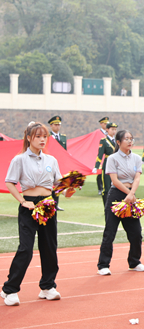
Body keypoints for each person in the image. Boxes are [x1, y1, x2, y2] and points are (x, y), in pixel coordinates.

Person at [2, 122, 74, 306]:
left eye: (45, 137)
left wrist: (68, 191)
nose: (42, 140)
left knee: (49, 247)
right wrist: (22, 201)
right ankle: (9, 290)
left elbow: (59, 184)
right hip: (29, 207)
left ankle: (47, 287)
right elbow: (10, 182)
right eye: (38, 136)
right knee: (26, 248)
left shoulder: (52, 160)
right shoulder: (19, 159)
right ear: (28, 138)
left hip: (49, 204)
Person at [97, 129, 144, 275]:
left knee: (136, 233)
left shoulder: (137, 158)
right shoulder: (112, 158)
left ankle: (134, 262)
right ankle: (103, 265)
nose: (130, 141)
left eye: (131, 138)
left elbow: (137, 178)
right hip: (117, 195)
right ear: (118, 142)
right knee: (110, 232)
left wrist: (132, 194)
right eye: (126, 139)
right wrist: (129, 193)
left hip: (131, 196)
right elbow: (114, 180)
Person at [94, 122, 118, 207]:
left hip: (117, 166)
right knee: (106, 188)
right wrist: (96, 166)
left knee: (117, 186)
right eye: (112, 129)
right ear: (107, 130)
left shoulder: (118, 141)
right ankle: (107, 207)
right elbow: (100, 154)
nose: (114, 131)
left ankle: (115, 206)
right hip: (107, 165)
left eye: (115, 129)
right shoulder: (103, 141)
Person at [48, 115, 67, 211]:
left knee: (58, 183)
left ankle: (56, 204)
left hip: (59, 164)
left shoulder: (63, 137)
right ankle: (49, 203)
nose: (57, 126)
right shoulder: (47, 137)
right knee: (49, 183)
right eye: (55, 125)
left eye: (58, 125)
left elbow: (65, 152)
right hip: (49, 163)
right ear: (51, 126)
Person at [96, 117, 110, 195]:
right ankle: (100, 188)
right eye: (104, 123)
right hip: (100, 153)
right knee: (100, 173)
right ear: (101, 124)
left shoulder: (109, 132)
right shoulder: (98, 133)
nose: (106, 125)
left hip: (108, 155)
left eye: (107, 123)